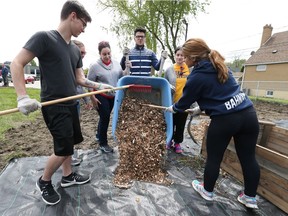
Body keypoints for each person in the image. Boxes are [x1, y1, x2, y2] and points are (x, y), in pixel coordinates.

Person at [10, 0, 113, 206]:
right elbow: (17, 63)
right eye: (83, 24)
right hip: (53, 104)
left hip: (71, 102)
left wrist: (98, 86)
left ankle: (67, 176)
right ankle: (44, 181)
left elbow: (80, 79)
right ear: (72, 16)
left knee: (71, 143)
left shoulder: (74, 50)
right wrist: (22, 96)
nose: (84, 30)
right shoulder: (44, 38)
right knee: (64, 147)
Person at [166, 38, 260, 209]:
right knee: (248, 158)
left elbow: (184, 102)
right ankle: (250, 198)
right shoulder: (220, 65)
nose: (184, 60)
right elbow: (218, 92)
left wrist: (174, 108)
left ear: (194, 57)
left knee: (214, 158)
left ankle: (207, 191)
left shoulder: (196, 76)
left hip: (225, 120)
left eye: (186, 57)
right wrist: (200, 108)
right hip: (248, 115)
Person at [87, 41, 124, 153]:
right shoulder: (94, 66)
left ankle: (98, 135)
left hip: (113, 96)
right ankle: (103, 143)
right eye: (104, 54)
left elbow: (121, 77)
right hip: (100, 95)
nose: (107, 56)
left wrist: (127, 69)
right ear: (100, 54)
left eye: (109, 53)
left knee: (104, 117)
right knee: (105, 117)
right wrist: (93, 98)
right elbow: (88, 83)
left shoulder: (117, 64)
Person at [164, 46, 190, 153]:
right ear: (175, 56)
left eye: (182, 55)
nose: (180, 57)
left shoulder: (189, 69)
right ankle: (169, 140)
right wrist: (169, 86)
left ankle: (177, 143)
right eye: (178, 55)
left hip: (184, 102)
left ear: (185, 57)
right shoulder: (169, 70)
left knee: (181, 124)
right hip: (172, 102)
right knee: (171, 122)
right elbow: (164, 84)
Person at [71, 39, 91, 166]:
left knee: (74, 129)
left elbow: (81, 85)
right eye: (81, 52)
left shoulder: (79, 65)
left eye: (84, 53)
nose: (83, 55)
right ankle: (68, 156)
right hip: (68, 103)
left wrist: (86, 99)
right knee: (69, 131)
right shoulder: (69, 64)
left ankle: (70, 154)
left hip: (76, 103)